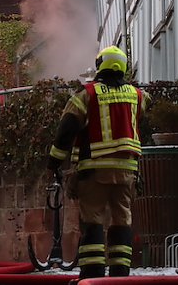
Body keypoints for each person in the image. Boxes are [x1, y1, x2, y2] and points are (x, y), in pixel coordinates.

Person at [47, 46, 148, 280]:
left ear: (100, 64)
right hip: (126, 173)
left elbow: (66, 131)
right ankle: (120, 276)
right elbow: (138, 118)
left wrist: (53, 162)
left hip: (93, 172)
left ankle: (92, 276)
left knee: (92, 220)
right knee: (122, 220)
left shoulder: (87, 95)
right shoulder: (137, 96)